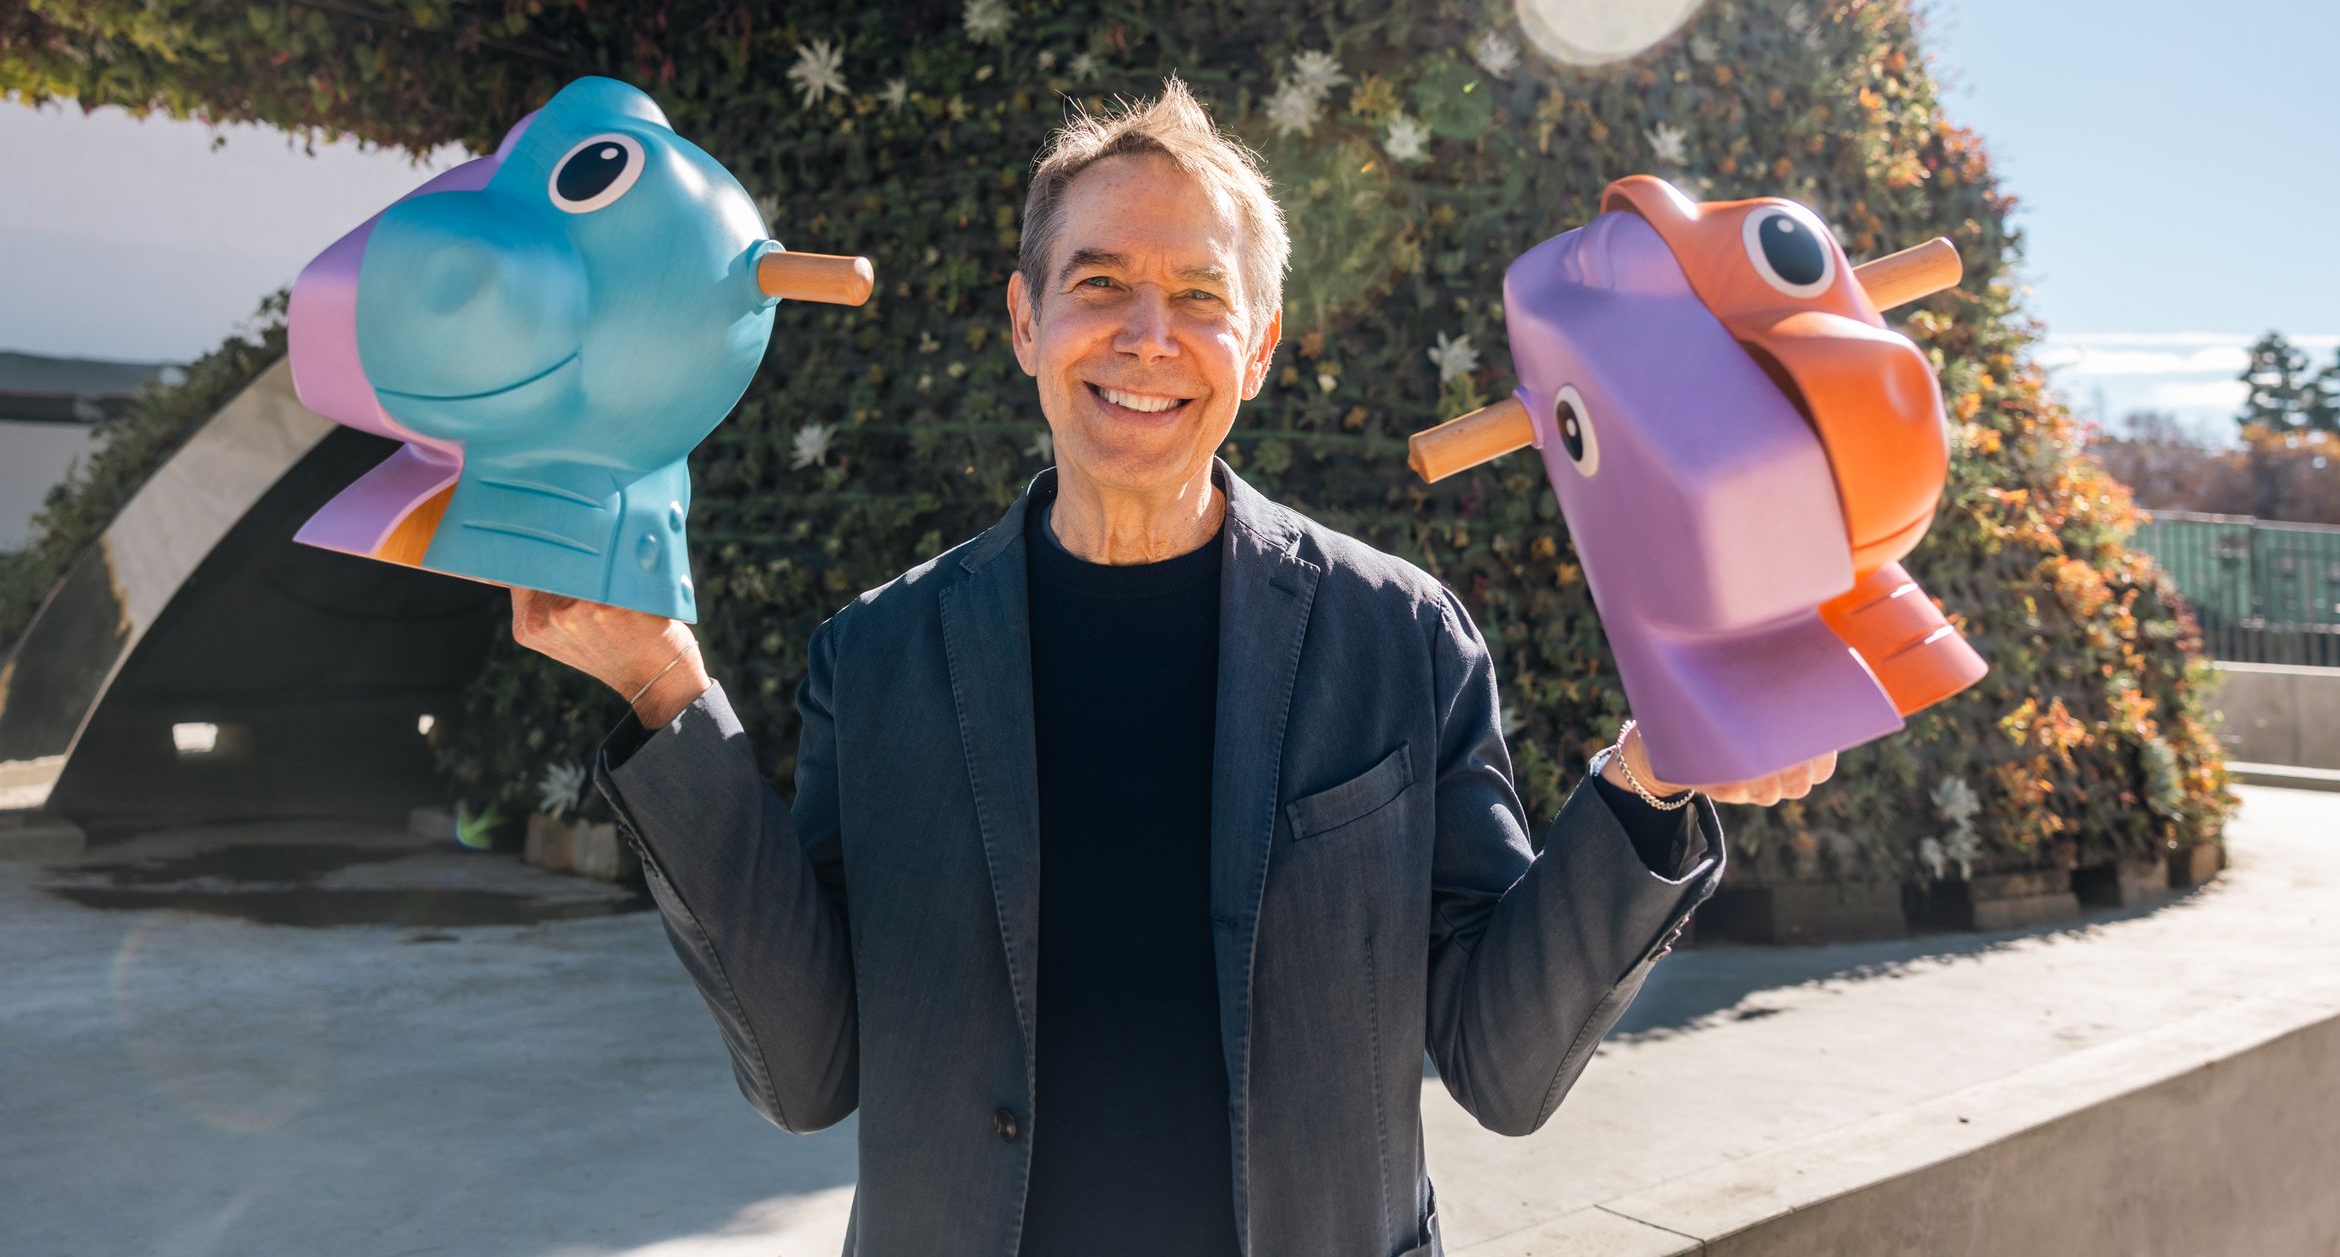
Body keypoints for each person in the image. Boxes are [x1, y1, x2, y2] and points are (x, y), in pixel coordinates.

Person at [510, 78, 1836, 1257]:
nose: (1149, 333)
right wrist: (664, 692)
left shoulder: (1402, 640)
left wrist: (1656, 771)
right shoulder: (881, 654)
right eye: (1100, 282)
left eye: (1200, 296)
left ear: (1257, 350)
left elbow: (1504, 1060)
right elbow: (808, 1070)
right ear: (1027, 323)